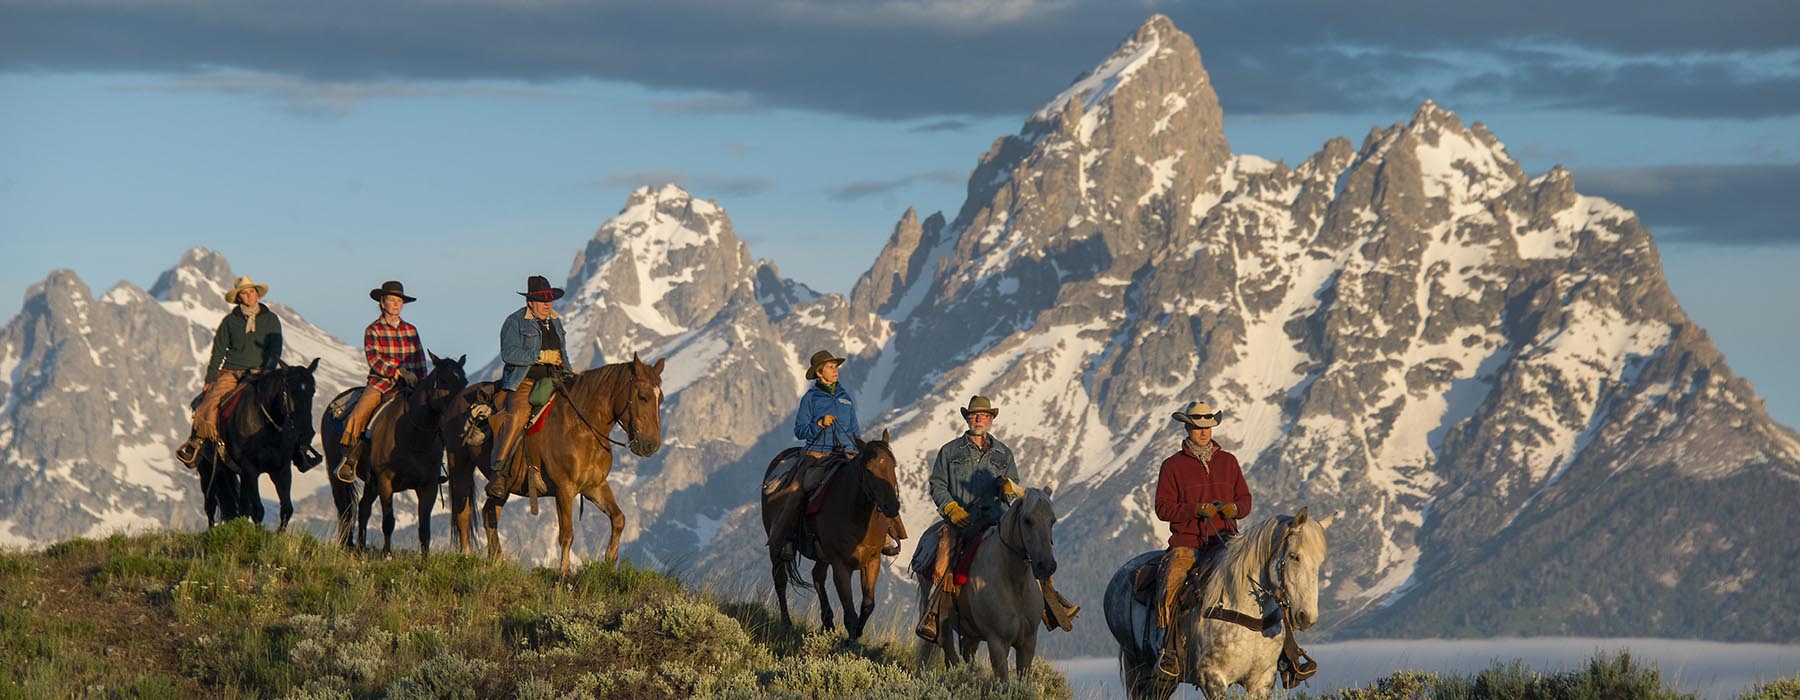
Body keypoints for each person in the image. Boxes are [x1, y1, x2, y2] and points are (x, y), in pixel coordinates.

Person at [914, 395, 1079, 643]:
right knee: (943, 561)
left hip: (997, 520)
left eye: (984, 415)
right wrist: (950, 507)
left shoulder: (1004, 453)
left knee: (1034, 548)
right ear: (967, 418)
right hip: (962, 521)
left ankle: (1050, 603)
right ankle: (935, 614)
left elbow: (1013, 486)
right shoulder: (950, 451)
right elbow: (937, 484)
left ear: (991, 419)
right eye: (974, 415)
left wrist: (1007, 487)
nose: (979, 419)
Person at [1153, 400, 1252, 679]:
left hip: (1227, 541)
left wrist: (1234, 509)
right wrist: (1194, 510)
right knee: (1170, 586)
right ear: (1187, 427)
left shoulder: (1229, 461)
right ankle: (1170, 652)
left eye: (1207, 426)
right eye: (1198, 427)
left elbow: (1245, 500)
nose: (1204, 432)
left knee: (1266, 580)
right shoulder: (1172, 466)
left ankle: (1288, 652)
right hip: (1188, 544)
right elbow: (1163, 508)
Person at [764, 349, 867, 561]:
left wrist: (857, 451)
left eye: (835, 366)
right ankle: (786, 540)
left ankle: (885, 534)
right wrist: (819, 424)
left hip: (846, 454)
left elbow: (855, 430)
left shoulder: (846, 398)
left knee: (873, 483)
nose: (835, 370)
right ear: (819, 373)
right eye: (830, 367)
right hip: (817, 454)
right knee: (796, 490)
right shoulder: (810, 398)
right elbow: (800, 430)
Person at [483, 275, 574, 500]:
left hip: (555, 379)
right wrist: (540, 356)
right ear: (530, 301)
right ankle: (499, 473)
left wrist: (571, 375)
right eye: (542, 300)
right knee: (518, 415)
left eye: (550, 300)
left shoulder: (556, 321)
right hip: (524, 380)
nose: (548, 304)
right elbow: (508, 354)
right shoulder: (515, 321)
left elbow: (563, 353)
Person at [176, 276, 284, 466]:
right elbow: (218, 351)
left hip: (262, 372)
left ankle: (297, 445)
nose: (249, 296)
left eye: (251, 291)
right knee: (210, 402)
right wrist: (210, 378)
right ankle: (197, 442)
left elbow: (275, 348)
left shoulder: (271, 320)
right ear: (239, 298)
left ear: (257, 294)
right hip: (232, 372)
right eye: (244, 293)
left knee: (288, 401)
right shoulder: (229, 322)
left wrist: (268, 371)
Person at [335, 281, 428, 483]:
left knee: (431, 413)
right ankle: (349, 459)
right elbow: (374, 359)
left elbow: (420, 359)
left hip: (410, 384)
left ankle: (436, 464)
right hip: (381, 383)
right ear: (382, 303)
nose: (396, 304)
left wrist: (422, 382)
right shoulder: (373, 329)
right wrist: (397, 371)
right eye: (391, 300)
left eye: (399, 301)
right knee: (360, 412)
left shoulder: (411, 330)